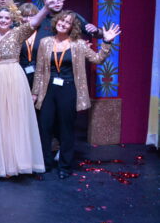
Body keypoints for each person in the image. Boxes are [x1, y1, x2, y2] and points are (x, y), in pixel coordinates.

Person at [32, 12, 120, 179]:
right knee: (45, 127)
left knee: (66, 129)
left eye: (68, 22)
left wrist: (107, 41)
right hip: (48, 90)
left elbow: (97, 59)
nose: (63, 24)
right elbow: (39, 71)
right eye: (62, 20)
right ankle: (45, 163)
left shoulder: (78, 44)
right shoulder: (45, 42)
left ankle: (65, 166)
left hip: (68, 89)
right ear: (56, 22)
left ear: (73, 27)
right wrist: (34, 93)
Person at [0, 0, 59, 178]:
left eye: (6, 18)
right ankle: (3, 164)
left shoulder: (17, 33)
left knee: (15, 120)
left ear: (12, 21)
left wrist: (46, 8)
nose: (3, 21)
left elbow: (33, 22)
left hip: (13, 78)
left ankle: (20, 163)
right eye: (0, 18)